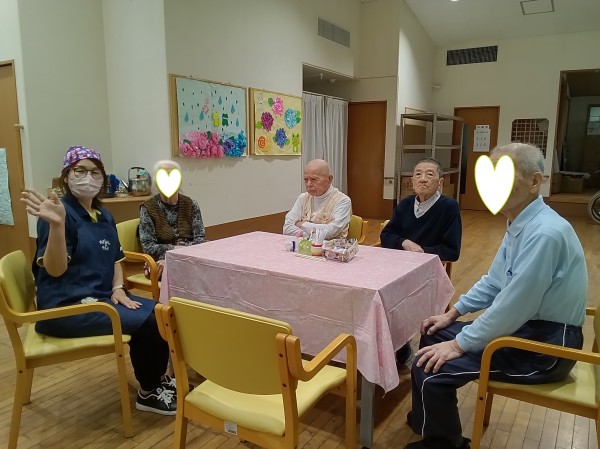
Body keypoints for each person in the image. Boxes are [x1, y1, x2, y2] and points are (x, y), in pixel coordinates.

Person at [404, 143, 588, 449]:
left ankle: (447, 443)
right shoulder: (520, 221)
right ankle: (430, 421)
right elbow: (495, 281)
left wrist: (459, 344)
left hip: (547, 347)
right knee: (432, 332)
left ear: (534, 181)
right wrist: (453, 313)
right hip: (527, 328)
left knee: (430, 368)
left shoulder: (545, 232)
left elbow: (515, 305)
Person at [21, 146, 177, 416]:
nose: (88, 178)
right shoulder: (57, 214)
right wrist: (57, 226)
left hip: (101, 299)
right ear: (66, 176)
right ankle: (149, 391)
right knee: (149, 323)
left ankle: (158, 379)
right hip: (67, 308)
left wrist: (118, 288)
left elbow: (115, 258)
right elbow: (55, 271)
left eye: (95, 172)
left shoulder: (103, 215)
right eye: (79, 171)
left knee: (161, 311)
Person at [381, 158, 462, 365]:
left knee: (399, 296)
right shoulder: (405, 204)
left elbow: (452, 250)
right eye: (418, 174)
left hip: (429, 271)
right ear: (412, 180)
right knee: (380, 293)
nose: (423, 179)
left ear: (440, 182)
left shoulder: (449, 207)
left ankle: (404, 344)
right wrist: (404, 242)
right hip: (398, 267)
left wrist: (423, 252)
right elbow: (386, 235)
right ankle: (393, 345)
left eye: (429, 174)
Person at [138, 160, 205, 280]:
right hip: (160, 260)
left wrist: (179, 255)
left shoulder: (191, 204)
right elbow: (148, 247)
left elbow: (200, 239)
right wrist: (173, 253)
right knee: (172, 271)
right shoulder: (148, 208)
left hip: (190, 257)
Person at [283, 158, 352, 240]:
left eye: (313, 179)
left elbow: (331, 232)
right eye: (306, 180)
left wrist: (302, 224)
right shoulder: (303, 198)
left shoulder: (342, 201)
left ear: (329, 179)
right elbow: (287, 228)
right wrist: (306, 236)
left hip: (331, 247)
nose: (308, 184)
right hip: (304, 245)